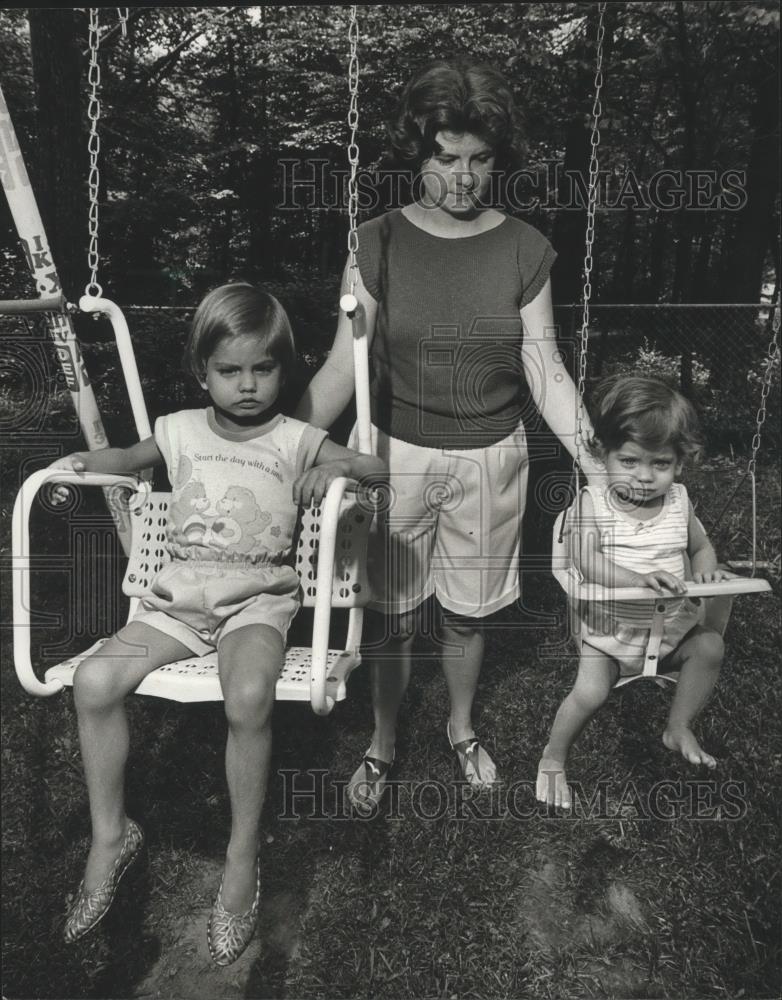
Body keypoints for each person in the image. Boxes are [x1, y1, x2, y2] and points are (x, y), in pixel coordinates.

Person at [49, 284, 386, 965]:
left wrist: (339, 467)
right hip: (180, 604)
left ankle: (240, 857)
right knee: (93, 682)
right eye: (230, 371)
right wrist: (78, 464)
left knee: (250, 697)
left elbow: (374, 467)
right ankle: (112, 835)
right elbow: (126, 459)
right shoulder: (177, 429)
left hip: (258, 604)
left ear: (283, 371)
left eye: (263, 369)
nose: (248, 385)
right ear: (202, 372)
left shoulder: (296, 438)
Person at [295, 57, 599, 814]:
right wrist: (278, 448)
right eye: (446, 156)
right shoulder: (378, 241)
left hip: (492, 459)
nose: (462, 177)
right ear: (419, 152)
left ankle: (461, 728)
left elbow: (546, 369)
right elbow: (341, 368)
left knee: (467, 612)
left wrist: (598, 464)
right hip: (392, 454)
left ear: (498, 159)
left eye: (480, 159)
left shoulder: (525, 249)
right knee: (393, 614)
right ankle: (383, 739)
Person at [536, 376, 733, 810]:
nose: (644, 477)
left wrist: (707, 573)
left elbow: (700, 547)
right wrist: (634, 579)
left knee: (710, 647)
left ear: (679, 464)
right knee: (590, 694)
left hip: (669, 630)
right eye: (628, 461)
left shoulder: (679, 501)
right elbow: (585, 559)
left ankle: (677, 725)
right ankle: (553, 757)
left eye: (659, 464)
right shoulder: (594, 502)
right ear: (602, 454)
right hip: (610, 631)